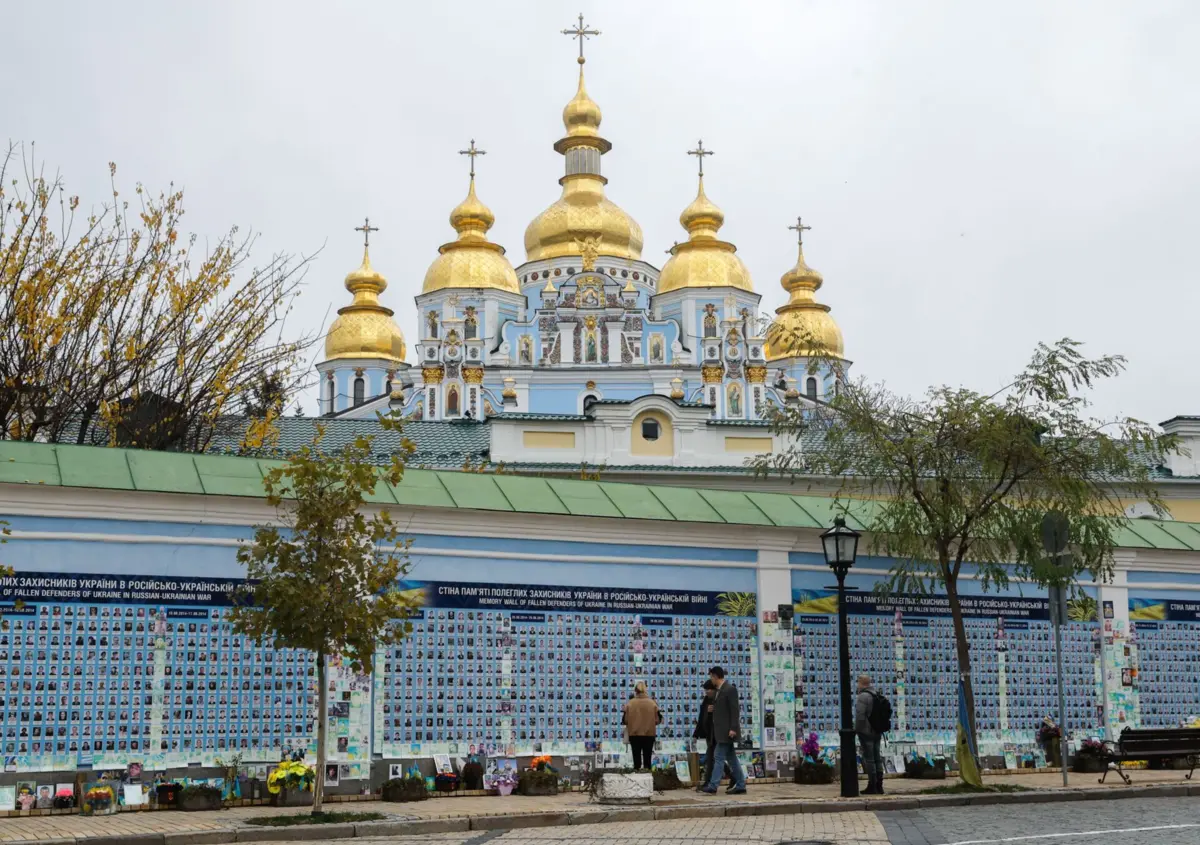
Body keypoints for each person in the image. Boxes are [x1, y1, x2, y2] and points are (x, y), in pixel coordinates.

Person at [700, 666, 746, 795]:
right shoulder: (719, 691)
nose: (711, 680)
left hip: (727, 731)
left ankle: (713, 785)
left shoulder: (730, 689)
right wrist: (713, 710)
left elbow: (734, 710)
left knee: (718, 756)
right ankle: (741, 784)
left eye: (711, 677)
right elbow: (723, 709)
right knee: (732, 759)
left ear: (715, 676)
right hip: (720, 731)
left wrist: (733, 728)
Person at [855, 674, 885, 794]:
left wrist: (856, 730)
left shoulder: (863, 696)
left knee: (870, 759)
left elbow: (860, 716)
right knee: (877, 758)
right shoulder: (876, 695)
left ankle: (872, 785)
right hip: (877, 731)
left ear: (861, 683)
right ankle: (879, 785)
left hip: (866, 732)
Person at [622, 681, 662, 771]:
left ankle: (637, 779)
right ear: (646, 690)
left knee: (636, 762)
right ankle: (647, 780)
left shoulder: (630, 704)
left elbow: (625, 720)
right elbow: (657, 720)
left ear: (635, 691)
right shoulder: (652, 703)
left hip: (634, 735)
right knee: (647, 761)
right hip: (649, 735)